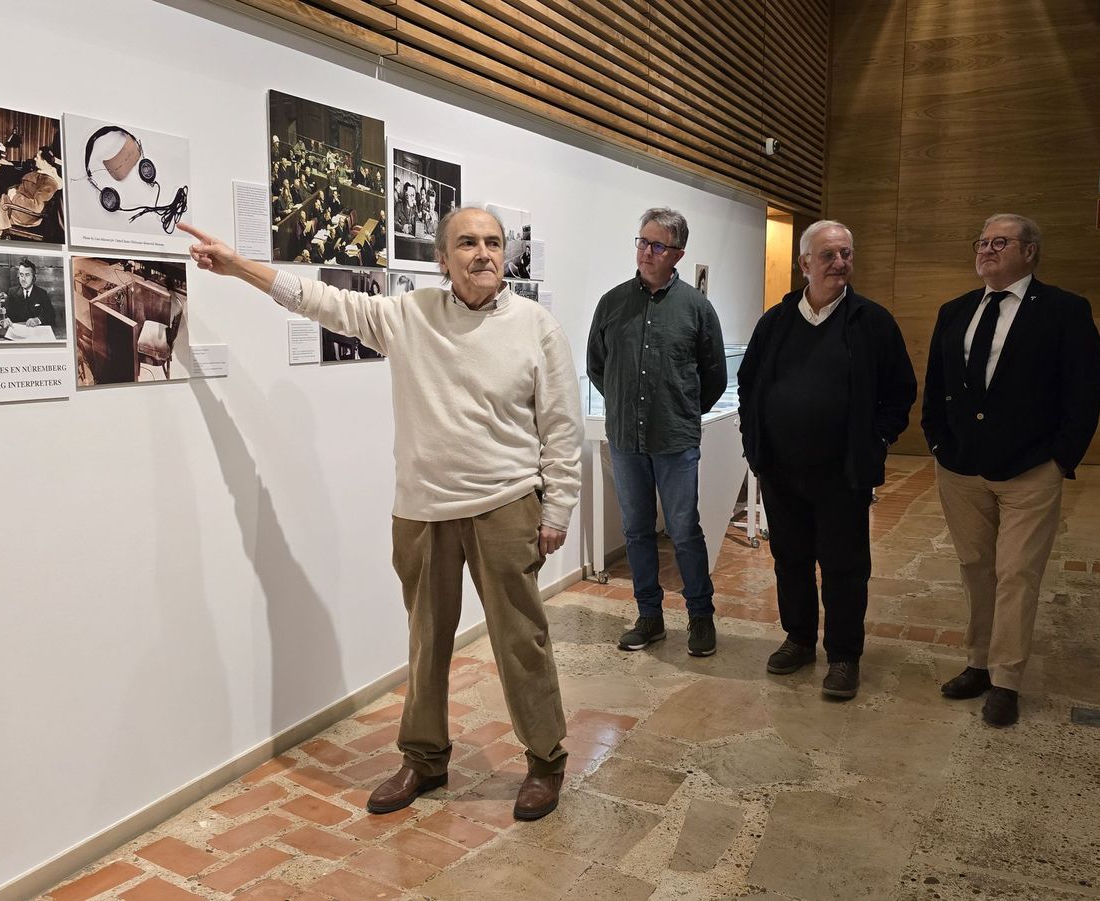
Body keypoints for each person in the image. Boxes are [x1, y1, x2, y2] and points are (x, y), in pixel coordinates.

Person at [179, 208, 581, 820]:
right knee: (425, 641)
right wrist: (239, 268)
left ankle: (545, 759)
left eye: (493, 243)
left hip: (505, 504)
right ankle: (424, 758)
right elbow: (321, 300)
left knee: (521, 638)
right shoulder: (408, 315)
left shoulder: (537, 327)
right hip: (422, 510)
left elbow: (559, 426)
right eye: (467, 243)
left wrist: (557, 508)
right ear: (442, 260)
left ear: (506, 255)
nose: (483, 254)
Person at [922, 213, 1100, 727]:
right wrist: (936, 439)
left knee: (1017, 574)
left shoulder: (1065, 311)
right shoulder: (954, 311)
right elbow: (937, 384)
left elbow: (1084, 391)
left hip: (1029, 469)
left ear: (1030, 251)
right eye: (981, 241)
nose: (987, 250)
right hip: (960, 468)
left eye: (1000, 242)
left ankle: (1006, 679)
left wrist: (1061, 458)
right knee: (976, 568)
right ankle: (977, 662)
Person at [738, 221, 916, 699]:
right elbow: (750, 382)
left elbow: (900, 391)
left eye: (846, 254)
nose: (840, 263)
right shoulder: (775, 323)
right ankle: (798, 639)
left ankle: (843, 656)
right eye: (829, 256)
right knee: (789, 560)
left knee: (844, 566)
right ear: (804, 265)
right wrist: (754, 438)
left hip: (843, 474)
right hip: (781, 469)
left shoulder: (872, 322)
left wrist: (877, 439)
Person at [587, 208, 727, 656]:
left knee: (685, 530)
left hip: (675, 441)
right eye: (642, 242)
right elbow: (597, 365)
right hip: (627, 440)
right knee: (636, 531)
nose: (646, 252)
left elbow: (715, 376)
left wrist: (682, 412)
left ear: (677, 253)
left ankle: (700, 618)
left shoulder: (697, 309)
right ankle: (649, 617)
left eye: (658, 245)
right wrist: (624, 405)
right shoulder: (611, 303)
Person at [0, 257, 55, 331]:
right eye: (21, 275)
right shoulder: (12, 292)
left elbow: (51, 315)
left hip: (34, 333)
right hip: (16, 332)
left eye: (27, 275)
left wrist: (37, 320)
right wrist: (4, 320)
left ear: (34, 277)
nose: (23, 279)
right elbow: (4, 314)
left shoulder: (42, 293)